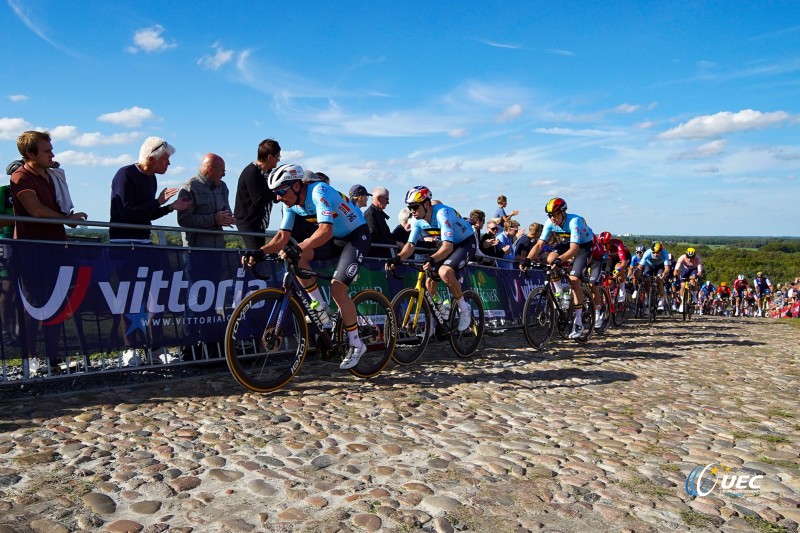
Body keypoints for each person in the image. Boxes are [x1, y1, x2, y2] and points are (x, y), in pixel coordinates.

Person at [256, 164, 372, 370]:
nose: (278, 198)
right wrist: (260, 252)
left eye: (281, 191)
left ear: (298, 186)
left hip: (356, 236)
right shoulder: (290, 204)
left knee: (337, 287)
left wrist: (298, 247)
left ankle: (356, 343)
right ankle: (320, 307)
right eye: (275, 193)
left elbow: (325, 230)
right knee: (297, 259)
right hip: (336, 239)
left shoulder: (319, 191)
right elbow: (282, 237)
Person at [10, 131, 88, 376]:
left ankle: (53, 358)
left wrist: (65, 220)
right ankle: (29, 358)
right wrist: (66, 219)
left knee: (56, 303)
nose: (52, 154)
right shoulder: (21, 176)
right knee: (34, 306)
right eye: (46, 150)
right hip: (31, 249)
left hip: (55, 247)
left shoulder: (50, 175)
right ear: (29, 154)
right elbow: (35, 210)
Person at [387, 186, 476, 331]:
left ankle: (464, 309)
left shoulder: (442, 214)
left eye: (415, 207)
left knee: (445, 272)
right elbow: (410, 246)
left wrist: (432, 259)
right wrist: (397, 258)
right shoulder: (417, 220)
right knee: (429, 282)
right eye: (409, 208)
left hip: (465, 242)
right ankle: (440, 311)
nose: (412, 211)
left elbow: (448, 246)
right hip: (448, 244)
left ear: (426, 204)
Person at [521, 198, 594, 339]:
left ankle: (578, 322)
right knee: (549, 259)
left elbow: (574, 249)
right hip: (567, 242)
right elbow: (539, 245)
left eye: (554, 214)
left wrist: (560, 260)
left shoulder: (574, 221)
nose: (552, 218)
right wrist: (527, 259)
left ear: (563, 212)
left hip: (584, 246)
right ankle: (560, 293)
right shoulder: (550, 223)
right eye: (549, 215)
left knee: (573, 280)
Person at [109, 137, 192, 242]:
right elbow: (127, 214)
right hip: (123, 243)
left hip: (144, 240)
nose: (169, 163)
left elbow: (148, 215)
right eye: (165, 159)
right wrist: (158, 202)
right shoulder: (125, 174)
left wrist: (171, 207)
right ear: (151, 159)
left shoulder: (151, 177)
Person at [177, 154, 235, 248]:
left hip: (219, 247)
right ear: (211, 170)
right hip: (196, 249)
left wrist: (229, 218)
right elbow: (184, 220)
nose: (224, 174)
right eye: (222, 171)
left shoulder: (223, 187)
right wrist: (214, 219)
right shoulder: (189, 187)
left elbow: (226, 211)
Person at [234, 139, 280, 250]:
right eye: (277, 156)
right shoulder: (252, 172)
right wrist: (276, 194)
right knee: (255, 255)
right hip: (248, 223)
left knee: (260, 255)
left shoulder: (267, 172)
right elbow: (259, 199)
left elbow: (271, 195)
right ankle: (248, 266)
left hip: (259, 223)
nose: (278, 159)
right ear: (269, 157)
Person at [636, 242, 670, 316]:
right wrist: (637, 272)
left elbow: (667, 268)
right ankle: (648, 299)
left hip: (660, 267)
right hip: (649, 266)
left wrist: (664, 274)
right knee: (646, 279)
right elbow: (640, 266)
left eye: (657, 253)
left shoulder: (664, 253)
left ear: (661, 251)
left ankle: (661, 301)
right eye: (653, 252)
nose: (655, 254)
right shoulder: (647, 253)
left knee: (659, 280)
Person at [363, 186, 393, 257]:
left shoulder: (378, 214)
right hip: (375, 260)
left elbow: (386, 235)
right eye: (386, 199)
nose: (388, 202)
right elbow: (373, 238)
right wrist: (395, 243)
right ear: (379, 198)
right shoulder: (370, 214)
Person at [673, 247, 704, 312]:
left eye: (691, 257)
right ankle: (682, 303)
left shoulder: (698, 259)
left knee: (692, 281)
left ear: (694, 256)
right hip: (685, 269)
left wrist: (697, 276)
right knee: (682, 286)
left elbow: (700, 272)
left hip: (694, 269)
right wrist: (675, 275)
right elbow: (676, 269)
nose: (689, 259)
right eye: (688, 257)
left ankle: (694, 297)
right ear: (686, 255)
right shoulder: (682, 257)